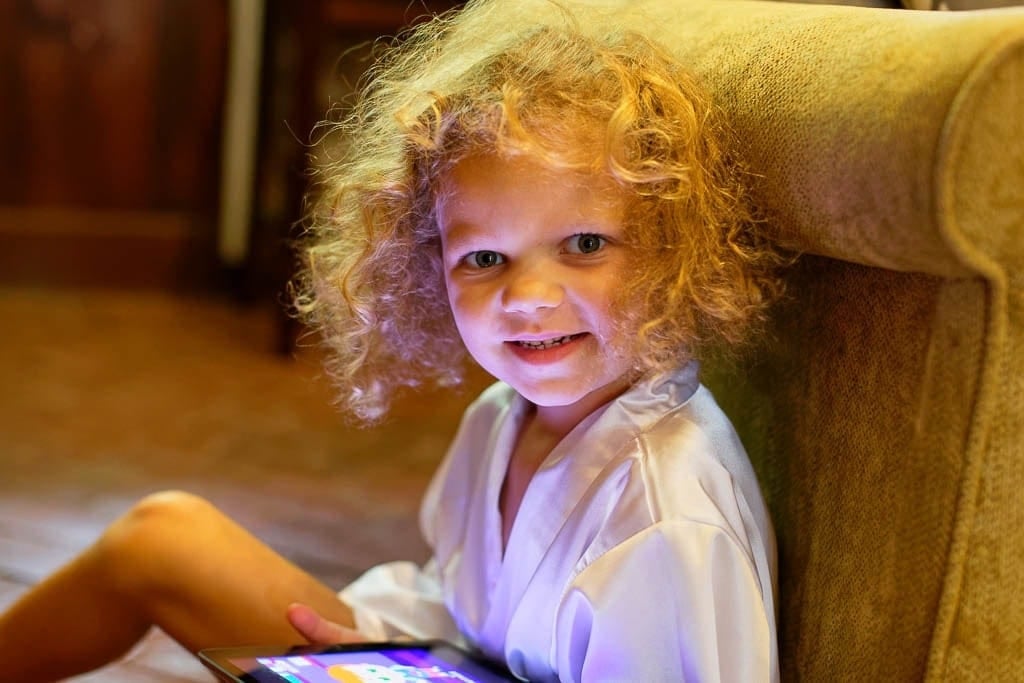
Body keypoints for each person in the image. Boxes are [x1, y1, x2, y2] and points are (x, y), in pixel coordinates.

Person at [0, 0, 786, 680]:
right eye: (484, 258)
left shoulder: (666, 523)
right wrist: (384, 645)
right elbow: (460, 603)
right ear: (426, 266)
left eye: (585, 244)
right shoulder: (500, 420)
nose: (528, 297)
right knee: (163, 539)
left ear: (673, 248)